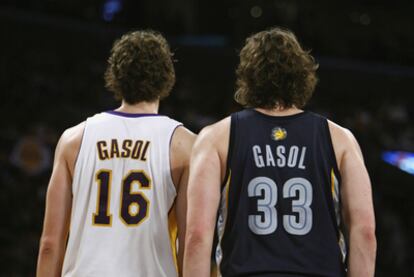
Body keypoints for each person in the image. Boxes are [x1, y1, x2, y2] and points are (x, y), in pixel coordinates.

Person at [184, 27, 376, 277]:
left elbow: (198, 235)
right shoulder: (340, 139)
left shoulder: (216, 137)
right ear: (302, 77)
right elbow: (365, 231)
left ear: (247, 77)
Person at [37, 30, 195, 277]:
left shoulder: (73, 140)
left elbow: (49, 245)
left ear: (115, 75)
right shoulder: (184, 146)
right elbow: (191, 244)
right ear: (167, 78)